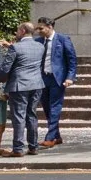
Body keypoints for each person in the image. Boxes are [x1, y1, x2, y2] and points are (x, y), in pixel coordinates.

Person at [0, 22, 46, 157]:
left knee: (19, 117)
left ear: (22, 31)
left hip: (19, 86)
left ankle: (18, 149)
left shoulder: (15, 48)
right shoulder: (40, 46)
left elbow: (5, 68)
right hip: (36, 84)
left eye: (17, 30)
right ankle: (33, 147)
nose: (16, 33)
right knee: (31, 115)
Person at [33, 17, 77, 148]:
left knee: (55, 107)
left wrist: (70, 77)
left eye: (41, 28)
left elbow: (72, 60)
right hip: (42, 78)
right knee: (47, 108)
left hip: (57, 79)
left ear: (50, 27)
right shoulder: (38, 41)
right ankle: (57, 136)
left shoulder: (63, 39)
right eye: (37, 28)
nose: (38, 31)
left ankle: (50, 137)